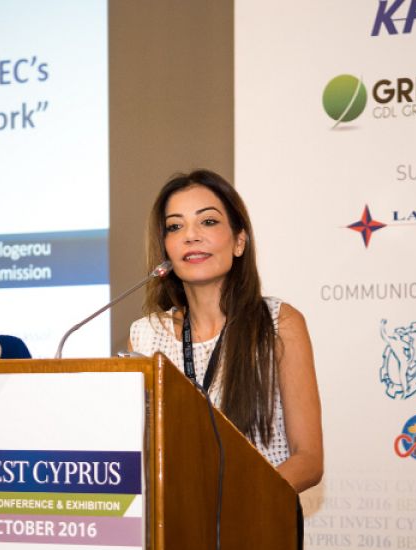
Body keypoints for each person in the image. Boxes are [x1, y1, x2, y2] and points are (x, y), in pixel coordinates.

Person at [128, 169, 323, 492]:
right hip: (176, 521)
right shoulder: (145, 335)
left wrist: (235, 505)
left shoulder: (278, 324)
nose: (191, 236)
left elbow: (309, 460)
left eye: (207, 221)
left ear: (239, 242)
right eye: (175, 226)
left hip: (256, 516)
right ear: (166, 251)